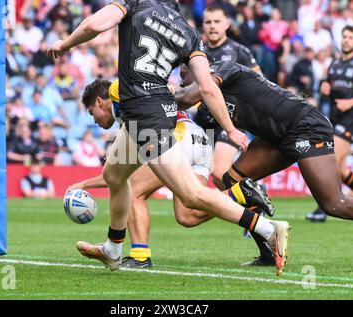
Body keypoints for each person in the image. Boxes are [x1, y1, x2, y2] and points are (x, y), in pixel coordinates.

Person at [48, 0, 290, 275]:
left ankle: (269, 229)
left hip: (145, 114)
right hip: (158, 109)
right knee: (115, 175)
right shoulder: (188, 33)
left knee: (191, 195)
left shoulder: (136, 3)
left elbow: (94, 25)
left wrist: (65, 44)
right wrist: (231, 129)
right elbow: (208, 88)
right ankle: (113, 250)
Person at [175, 59, 353, 265]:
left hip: (304, 125)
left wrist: (158, 96)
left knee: (334, 204)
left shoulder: (224, 67)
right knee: (234, 179)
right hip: (274, 138)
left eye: (183, 72)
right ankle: (268, 252)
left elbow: (186, 97)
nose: (181, 79)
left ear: (199, 68)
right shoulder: (206, 109)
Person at [66, 79, 272, 268]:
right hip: (200, 141)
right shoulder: (128, 118)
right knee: (187, 214)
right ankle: (239, 193)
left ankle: (139, 257)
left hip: (177, 137)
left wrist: (82, 185)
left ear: (100, 102)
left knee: (133, 190)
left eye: (93, 113)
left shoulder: (123, 96)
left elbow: (116, 179)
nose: (95, 121)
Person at [307, 25, 353, 222]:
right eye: (344, 37)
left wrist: (351, 102)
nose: (346, 40)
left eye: (350, 37)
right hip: (334, 118)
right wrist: (325, 90)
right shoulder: (334, 65)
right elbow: (328, 90)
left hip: (352, 120)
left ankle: (322, 208)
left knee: (329, 160)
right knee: (340, 170)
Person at [200, 5, 262, 190]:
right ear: (202, 25)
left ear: (227, 24)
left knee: (219, 173)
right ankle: (252, 197)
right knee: (216, 182)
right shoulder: (197, 52)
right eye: (208, 22)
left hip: (231, 119)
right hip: (204, 121)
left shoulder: (239, 51)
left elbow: (261, 83)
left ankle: (253, 202)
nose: (212, 26)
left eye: (217, 21)